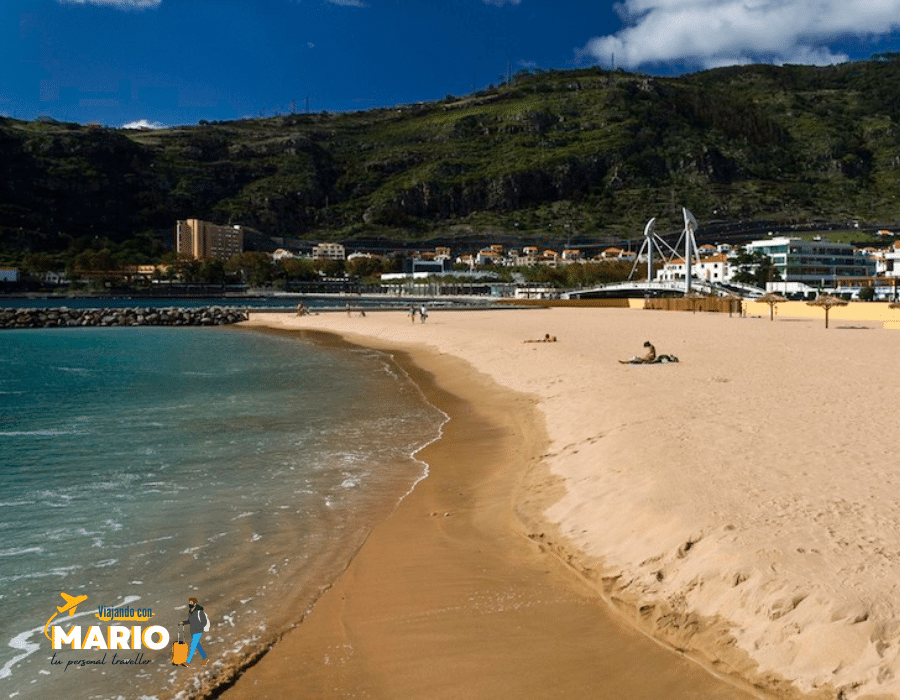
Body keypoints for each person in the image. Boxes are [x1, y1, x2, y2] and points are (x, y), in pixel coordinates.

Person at [180, 597, 210, 667]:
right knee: (198, 646)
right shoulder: (191, 612)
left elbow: (204, 622)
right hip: (193, 631)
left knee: (193, 646)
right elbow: (190, 621)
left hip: (198, 631)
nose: (189, 604)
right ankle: (205, 658)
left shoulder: (199, 611)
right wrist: (183, 622)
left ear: (195, 603)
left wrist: (198, 627)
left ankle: (188, 661)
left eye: (191, 603)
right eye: (189, 603)